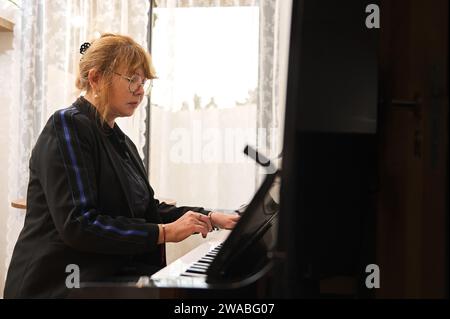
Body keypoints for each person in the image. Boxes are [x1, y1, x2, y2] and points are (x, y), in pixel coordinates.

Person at [4, 33, 240, 298]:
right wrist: (163, 233)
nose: (140, 90)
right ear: (95, 78)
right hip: (59, 286)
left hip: (101, 280)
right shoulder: (67, 125)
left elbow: (147, 211)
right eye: (132, 79)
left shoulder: (122, 141)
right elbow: (79, 224)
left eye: (143, 82)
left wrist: (208, 217)